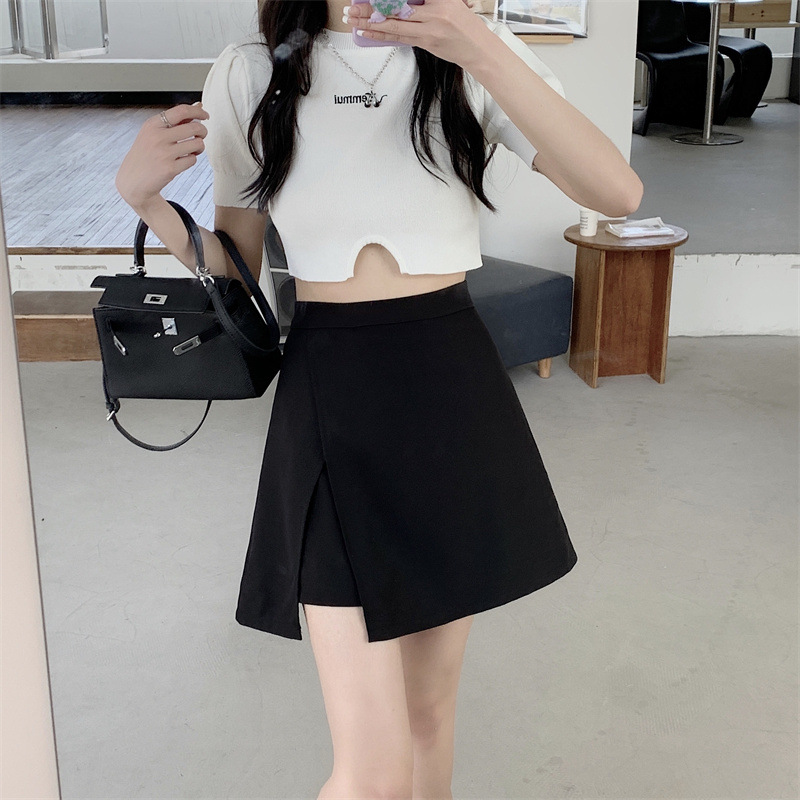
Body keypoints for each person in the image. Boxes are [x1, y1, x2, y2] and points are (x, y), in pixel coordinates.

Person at [115, 0, 643, 796]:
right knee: (372, 770)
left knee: (429, 718)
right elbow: (238, 271)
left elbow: (617, 191)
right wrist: (148, 203)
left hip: (452, 396)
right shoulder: (253, 70)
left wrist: (480, 49)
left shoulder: (470, 53)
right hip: (331, 399)